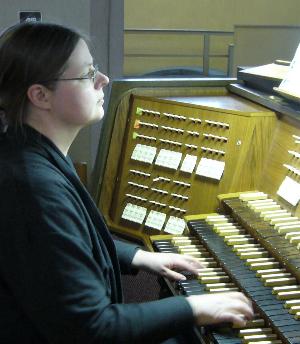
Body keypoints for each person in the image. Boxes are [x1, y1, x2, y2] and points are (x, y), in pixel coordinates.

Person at [0, 22, 253, 344]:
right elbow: (92, 329)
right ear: (40, 95)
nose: (103, 80)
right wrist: (192, 307)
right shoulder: (32, 187)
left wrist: (138, 256)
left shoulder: (26, 150)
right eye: (88, 74)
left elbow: (59, 242)